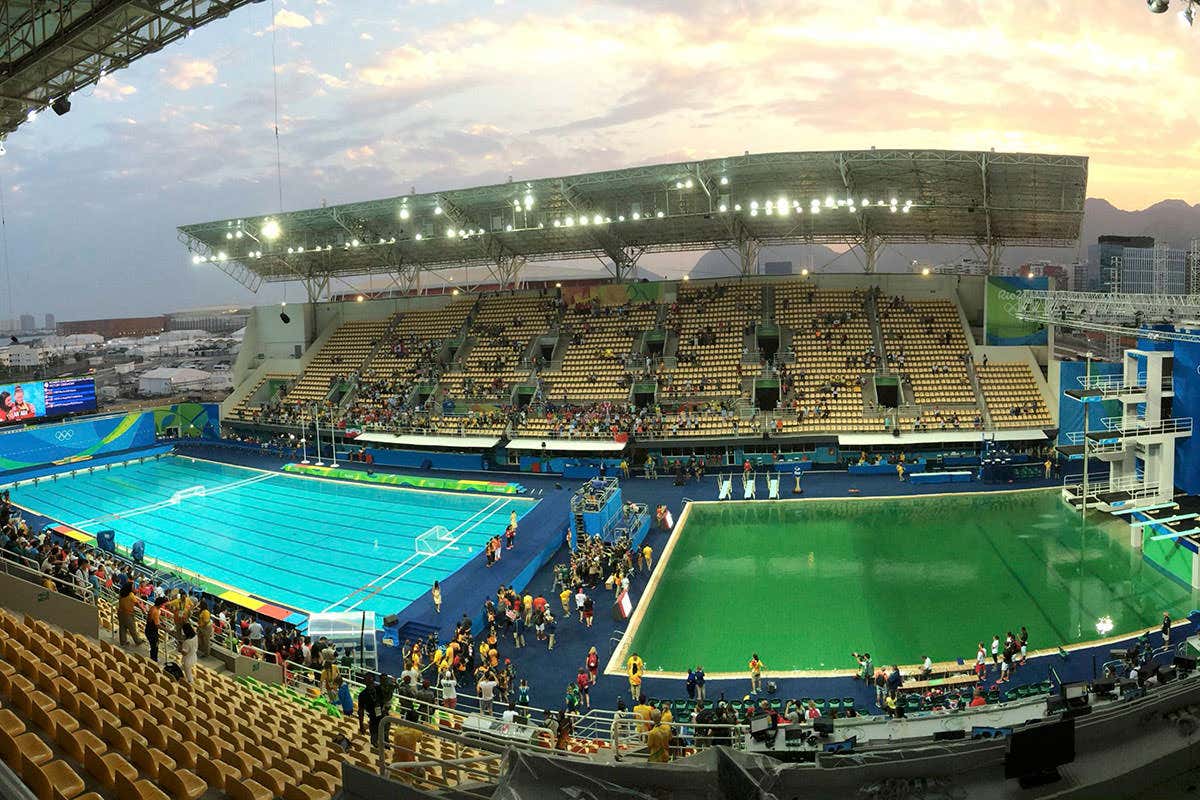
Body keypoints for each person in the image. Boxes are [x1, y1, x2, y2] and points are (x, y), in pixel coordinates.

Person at [358, 673, 388, 746]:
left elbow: (384, 701)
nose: (370, 683)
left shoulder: (379, 689)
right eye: (368, 681)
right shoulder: (362, 695)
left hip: (383, 717)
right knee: (375, 742)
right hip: (373, 720)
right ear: (365, 682)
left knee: (385, 740)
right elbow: (360, 711)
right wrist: (361, 725)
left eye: (371, 681)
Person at [117, 582, 143, 647]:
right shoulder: (131, 595)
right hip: (127, 614)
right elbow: (137, 603)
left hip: (120, 613)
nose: (134, 587)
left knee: (122, 627)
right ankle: (137, 641)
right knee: (132, 628)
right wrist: (143, 609)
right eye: (133, 587)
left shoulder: (121, 593)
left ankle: (123, 642)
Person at [145, 595, 166, 663]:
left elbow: (156, 618)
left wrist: (162, 621)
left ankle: (153, 659)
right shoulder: (156, 611)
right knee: (154, 646)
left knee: (153, 645)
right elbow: (157, 625)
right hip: (151, 631)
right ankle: (153, 660)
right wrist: (166, 630)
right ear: (160, 604)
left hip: (148, 629)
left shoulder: (153, 607)